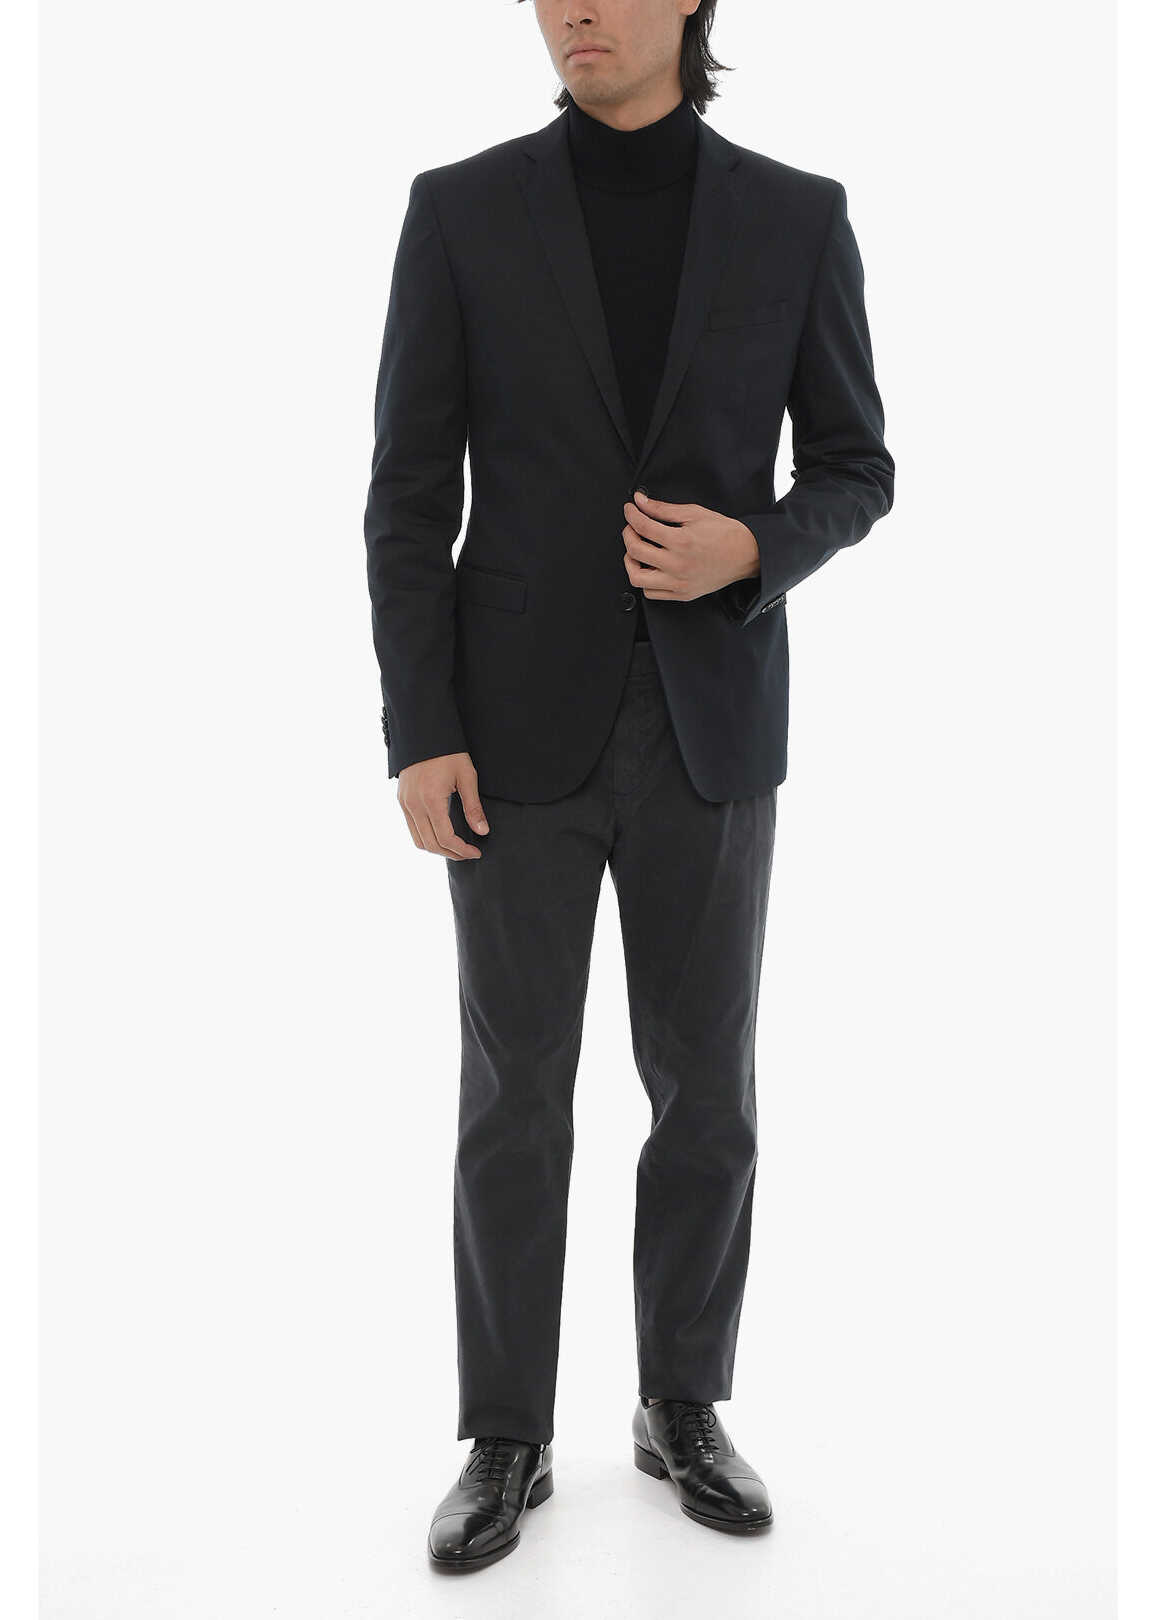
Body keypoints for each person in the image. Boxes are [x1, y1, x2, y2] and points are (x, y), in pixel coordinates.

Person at [363, 0, 894, 1572]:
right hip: (508, 735)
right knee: (512, 1095)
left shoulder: (795, 217)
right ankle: (505, 1433)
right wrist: (418, 730)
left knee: (706, 1090)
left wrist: (753, 549)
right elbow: (407, 495)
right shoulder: (459, 210)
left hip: (707, 724)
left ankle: (681, 1403)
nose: (573, 10)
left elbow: (856, 467)